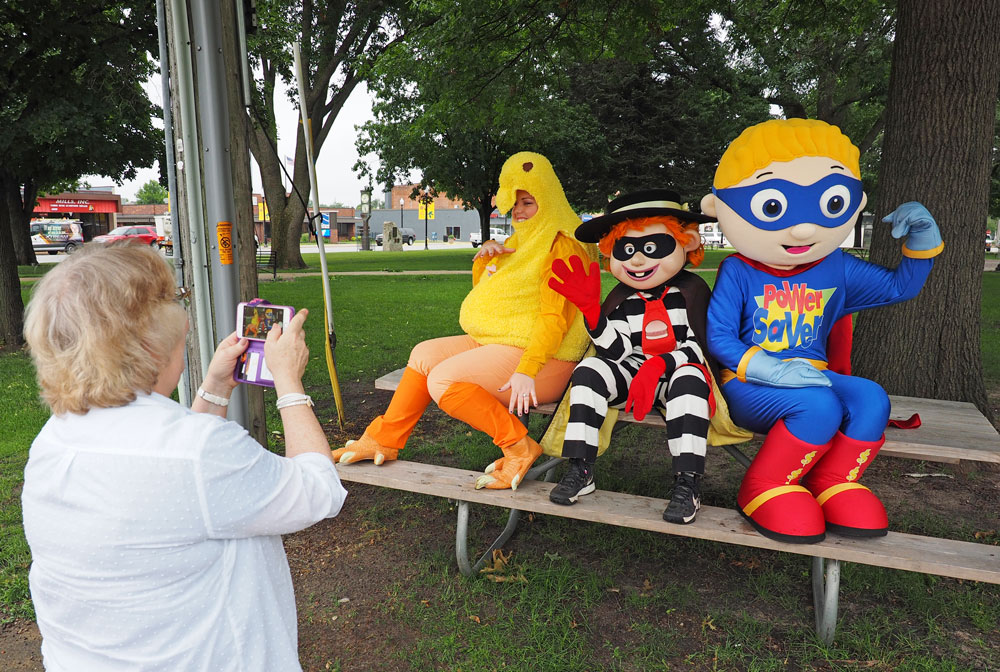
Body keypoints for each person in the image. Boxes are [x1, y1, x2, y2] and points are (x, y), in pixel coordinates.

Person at [21, 243, 347, 671]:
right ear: (152, 347)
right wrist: (288, 380)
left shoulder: (54, 441)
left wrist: (215, 386)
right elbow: (319, 491)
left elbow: (176, 480)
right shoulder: (198, 453)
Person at [702, 118, 942, 544]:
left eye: (828, 203)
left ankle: (832, 482)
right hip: (748, 381)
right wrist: (769, 370)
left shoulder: (837, 267)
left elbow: (899, 287)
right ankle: (765, 486)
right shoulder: (737, 270)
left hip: (813, 373)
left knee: (871, 397)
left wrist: (921, 243)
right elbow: (719, 338)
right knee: (819, 407)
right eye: (774, 206)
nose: (803, 228)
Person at [333, 151, 599, 490]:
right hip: (507, 343)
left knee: (443, 381)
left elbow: (554, 319)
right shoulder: (524, 240)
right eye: (514, 204)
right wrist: (486, 260)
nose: (518, 212)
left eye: (528, 202)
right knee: (424, 354)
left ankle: (518, 447)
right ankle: (384, 438)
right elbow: (493, 301)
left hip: (547, 361)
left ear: (549, 199)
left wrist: (526, 370)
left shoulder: (563, 243)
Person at [544, 189, 718, 523]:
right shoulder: (623, 299)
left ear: (688, 242)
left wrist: (662, 364)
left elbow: (701, 346)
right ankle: (581, 468)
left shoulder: (691, 292)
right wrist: (593, 314)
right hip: (632, 375)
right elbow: (617, 350)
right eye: (627, 250)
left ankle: (688, 483)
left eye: (652, 248)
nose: (637, 260)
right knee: (591, 369)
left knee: (690, 377)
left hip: (676, 377)